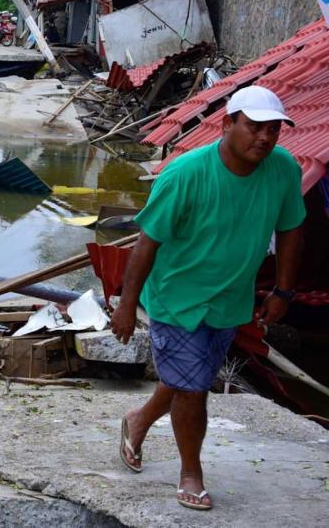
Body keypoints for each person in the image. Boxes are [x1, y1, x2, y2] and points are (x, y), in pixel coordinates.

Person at [110, 85, 304, 512]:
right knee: (194, 388)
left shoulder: (284, 169)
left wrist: (283, 290)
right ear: (227, 124)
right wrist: (127, 304)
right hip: (178, 297)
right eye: (255, 127)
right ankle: (190, 474)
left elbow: (291, 228)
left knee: (188, 377)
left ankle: (138, 420)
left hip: (231, 298)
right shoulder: (185, 174)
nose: (265, 138)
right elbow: (147, 243)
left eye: (274, 130)